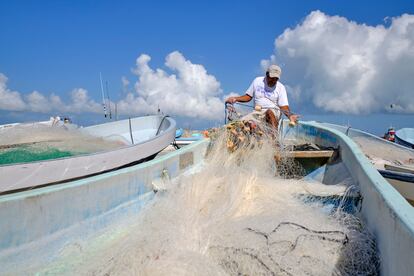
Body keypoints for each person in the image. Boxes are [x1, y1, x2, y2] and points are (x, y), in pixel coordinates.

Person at [225, 64, 298, 130]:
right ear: (267, 74)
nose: (273, 81)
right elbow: (248, 97)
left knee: (269, 112)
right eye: (272, 78)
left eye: (276, 79)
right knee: (242, 124)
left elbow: (284, 106)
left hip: (273, 112)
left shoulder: (281, 87)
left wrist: (290, 116)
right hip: (257, 112)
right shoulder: (257, 81)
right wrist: (235, 99)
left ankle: (274, 140)